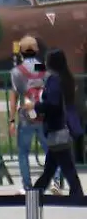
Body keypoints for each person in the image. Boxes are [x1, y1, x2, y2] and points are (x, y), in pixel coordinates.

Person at [8, 36, 61, 194]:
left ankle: (27, 186)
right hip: (44, 115)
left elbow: (14, 96)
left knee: (23, 152)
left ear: (21, 52)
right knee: (51, 151)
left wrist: (11, 119)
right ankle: (55, 181)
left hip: (26, 117)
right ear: (37, 50)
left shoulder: (17, 71)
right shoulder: (44, 68)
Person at [27, 48, 84, 197]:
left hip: (57, 127)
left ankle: (76, 194)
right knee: (53, 167)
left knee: (66, 167)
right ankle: (36, 191)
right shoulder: (67, 78)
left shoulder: (54, 80)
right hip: (63, 127)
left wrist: (35, 106)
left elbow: (52, 104)